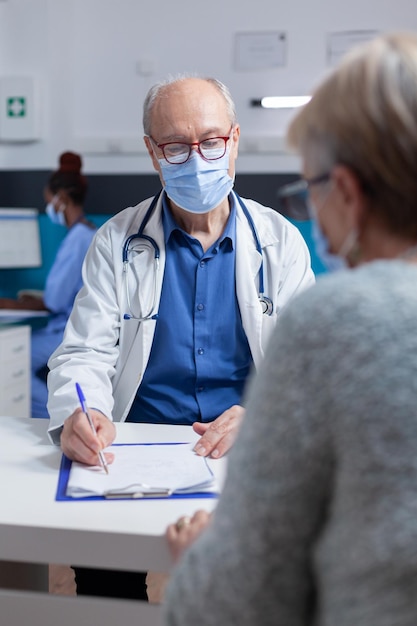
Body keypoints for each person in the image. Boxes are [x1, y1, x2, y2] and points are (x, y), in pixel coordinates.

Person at [163, 32, 417, 626]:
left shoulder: (338, 321)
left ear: (348, 192)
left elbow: (242, 598)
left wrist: (201, 565)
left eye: (313, 191)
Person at [46, 75, 315, 600]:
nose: (197, 159)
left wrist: (265, 414)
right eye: (176, 146)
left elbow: (309, 371)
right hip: (128, 449)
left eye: (211, 141)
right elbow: (83, 352)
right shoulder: (116, 241)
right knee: (103, 581)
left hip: (239, 453)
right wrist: (83, 412)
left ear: (234, 140)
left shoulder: (280, 242)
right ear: (152, 152)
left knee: (254, 585)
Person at [0, 151, 96, 418]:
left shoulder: (77, 241)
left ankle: (58, 417)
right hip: (72, 326)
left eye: (49, 201)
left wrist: (10, 304)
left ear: (61, 199)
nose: (49, 208)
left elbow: (54, 300)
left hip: (66, 331)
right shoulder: (87, 233)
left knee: (10, 359)